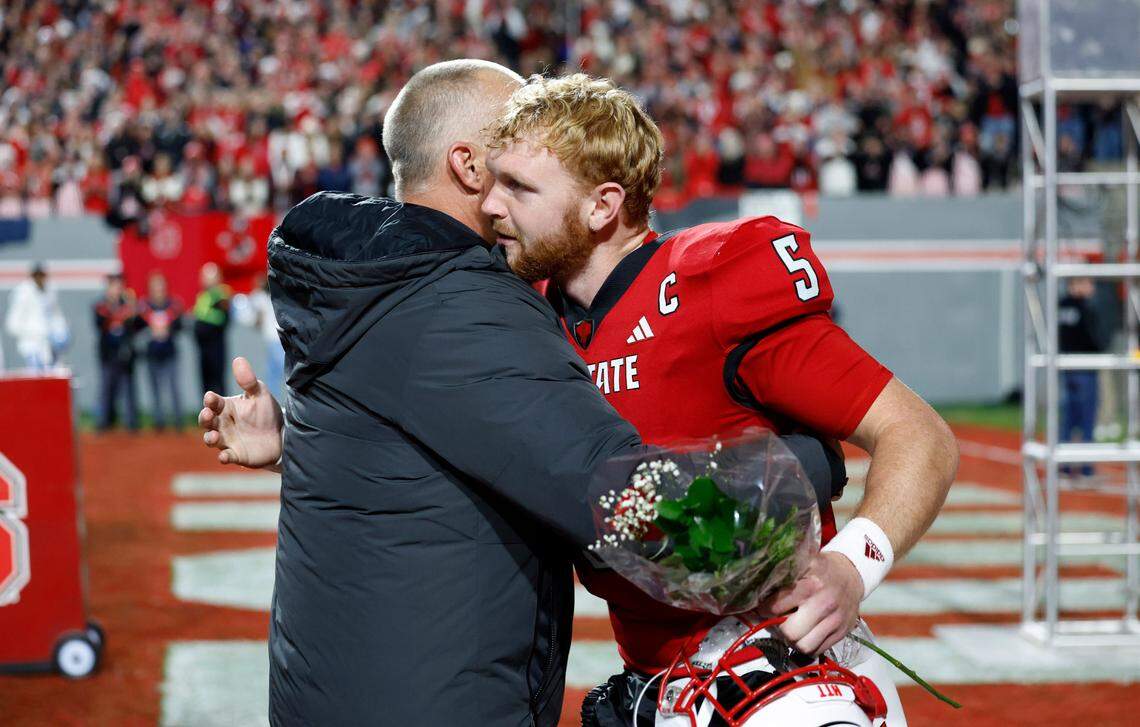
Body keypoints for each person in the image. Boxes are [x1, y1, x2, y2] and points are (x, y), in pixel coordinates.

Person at [196, 60, 843, 727]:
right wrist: (811, 462)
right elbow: (634, 516)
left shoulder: (360, 276)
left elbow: (411, 438)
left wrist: (298, 442)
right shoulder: (460, 302)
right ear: (473, 168)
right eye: (518, 140)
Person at [476, 74, 958, 725]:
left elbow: (917, 433)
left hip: (777, 672)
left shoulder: (710, 284)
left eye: (519, 188)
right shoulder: (537, 322)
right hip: (657, 684)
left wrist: (852, 566)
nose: (492, 207)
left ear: (602, 205)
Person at [1058, 276, 1112, 481]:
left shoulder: (1061, 305)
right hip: (1085, 369)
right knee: (1087, 419)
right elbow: (1096, 337)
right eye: (1087, 283)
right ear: (1077, 285)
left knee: (1068, 420)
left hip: (1067, 367)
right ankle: (1087, 469)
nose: (1092, 288)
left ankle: (1063, 467)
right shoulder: (1086, 307)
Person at [138, 272, 184, 430]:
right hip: (152, 354)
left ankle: (179, 422)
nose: (158, 290)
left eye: (160, 286)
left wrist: (169, 329)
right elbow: (136, 327)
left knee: (174, 387)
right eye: (155, 287)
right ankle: (159, 422)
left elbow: (180, 325)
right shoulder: (144, 307)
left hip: (169, 352)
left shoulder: (173, 305)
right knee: (155, 389)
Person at [94, 273, 140, 431]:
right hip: (108, 354)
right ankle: (104, 422)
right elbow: (101, 322)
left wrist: (131, 310)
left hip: (125, 354)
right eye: (113, 286)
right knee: (106, 389)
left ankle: (131, 423)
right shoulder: (101, 306)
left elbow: (136, 325)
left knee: (128, 389)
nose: (116, 290)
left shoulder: (128, 305)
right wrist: (122, 314)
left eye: (119, 286)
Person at [4, 262, 69, 371]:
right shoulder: (23, 293)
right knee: (36, 377)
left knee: (55, 376)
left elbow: (56, 316)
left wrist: (61, 332)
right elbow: (12, 325)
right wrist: (36, 332)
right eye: (37, 275)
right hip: (31, 346)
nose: (40, 278)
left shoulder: (50, 290)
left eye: (42, 275)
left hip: (50, 347)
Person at [232, 276, 285, 399]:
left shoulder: (261, 298)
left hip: (274, 339)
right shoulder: (275, 296)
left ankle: (275, 402)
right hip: (277, 338)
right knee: (273, 374)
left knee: (278, 373)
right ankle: (274, 402)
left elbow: (252, 319)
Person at [192, 262, 231, 397]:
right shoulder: (202, 296)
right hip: (203, 347)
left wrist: (204, 323)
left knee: (217, 381)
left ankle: (223, 414)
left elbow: (223, 318)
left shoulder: (221, 294)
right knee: (205, 382)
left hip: (215, 345)